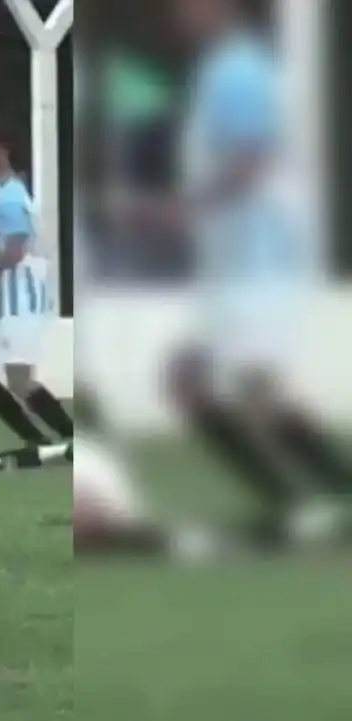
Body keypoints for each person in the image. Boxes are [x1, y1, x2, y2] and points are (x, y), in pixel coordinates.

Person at [131, 0, 348, 547]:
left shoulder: (240, 70)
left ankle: (310, 504)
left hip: (260, 260)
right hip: (233, 264)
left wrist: (186, 208)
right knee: (197, 383)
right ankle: (301, 504)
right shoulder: (217, 71)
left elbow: (251, 157)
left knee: (249, 392)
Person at [0, 123, 72, 446]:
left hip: (18, 303)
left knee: (20, 380)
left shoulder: (9, 197)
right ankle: (38, 442)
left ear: (1, 154)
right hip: (0, 306)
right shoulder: (1, 194)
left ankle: (70, 440)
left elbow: (15, 249)